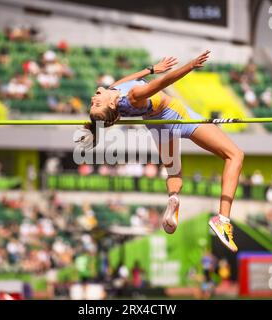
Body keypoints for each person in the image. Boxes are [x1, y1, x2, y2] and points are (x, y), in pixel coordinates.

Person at [76, 51, 243, 252]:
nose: (93, 98)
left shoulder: (115, 93)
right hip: (176, 116)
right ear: (111, 104)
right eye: (97, 103)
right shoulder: (133, 96)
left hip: (157, 125)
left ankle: (173, 198)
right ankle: (222, 220)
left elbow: (124, 81)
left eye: (93, 103)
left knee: (174, 173)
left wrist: (151, 69)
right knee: (235, 155)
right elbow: (162, 83)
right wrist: (190, 65)